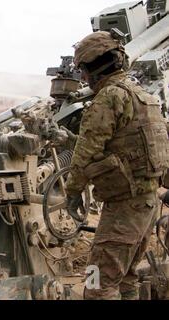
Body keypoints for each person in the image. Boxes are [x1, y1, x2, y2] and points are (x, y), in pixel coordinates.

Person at [65, 30, 169, 300]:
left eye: (83, 70)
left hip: (124, 208)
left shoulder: (109, 98)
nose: (83, 77)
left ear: (93, 69)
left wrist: (73, 191)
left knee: (97, 283)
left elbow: (86, 152)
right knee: (125, 278)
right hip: (147, 204)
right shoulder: (144, 97)